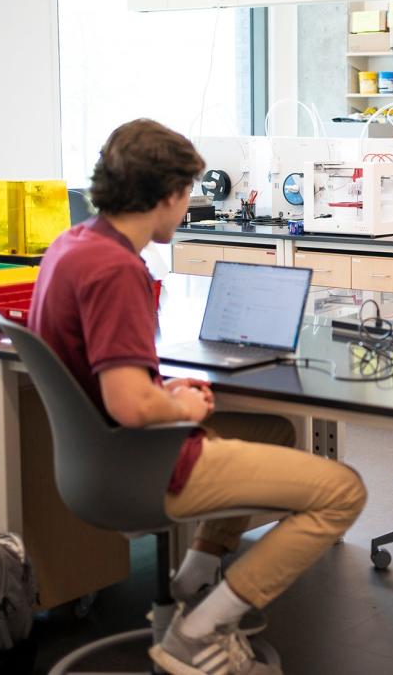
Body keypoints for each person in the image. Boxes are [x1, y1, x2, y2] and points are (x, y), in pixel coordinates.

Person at [30, 119, 366, 675]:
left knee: (277, 430)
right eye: (186, 195)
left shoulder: (74, 244)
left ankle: (193, 580)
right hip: (141, 465)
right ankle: (200, 631)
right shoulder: (117, 269)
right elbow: (130, 405)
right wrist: (174, 405)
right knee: (342, 492)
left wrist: (161, 389)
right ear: (167, 196)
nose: (187, 209)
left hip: (95, 461)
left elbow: (104, 377)